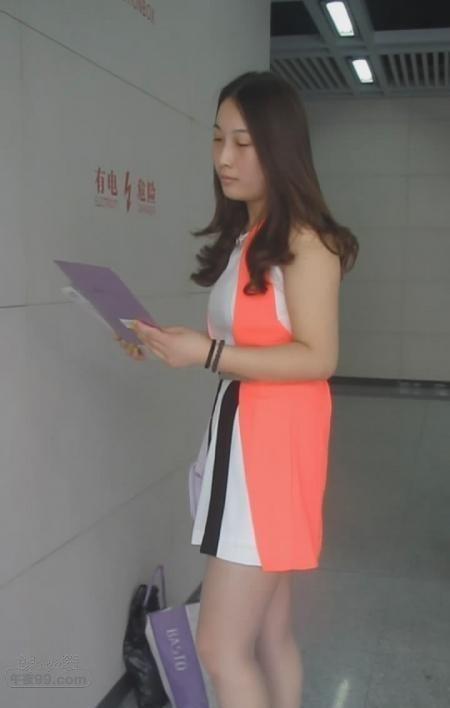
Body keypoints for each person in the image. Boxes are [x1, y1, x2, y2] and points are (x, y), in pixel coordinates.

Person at [115, 71, 359, 708]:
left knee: (221, 649)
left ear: (279, 147)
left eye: (243, 143)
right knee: (270, 636)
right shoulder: (252, 237)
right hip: (245, 442)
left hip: (272, 458)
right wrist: (166, 343)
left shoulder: (306, 241)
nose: (224, 157)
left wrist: (209, 353)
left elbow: (319, 356)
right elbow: (237, 344)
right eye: (217, 138)